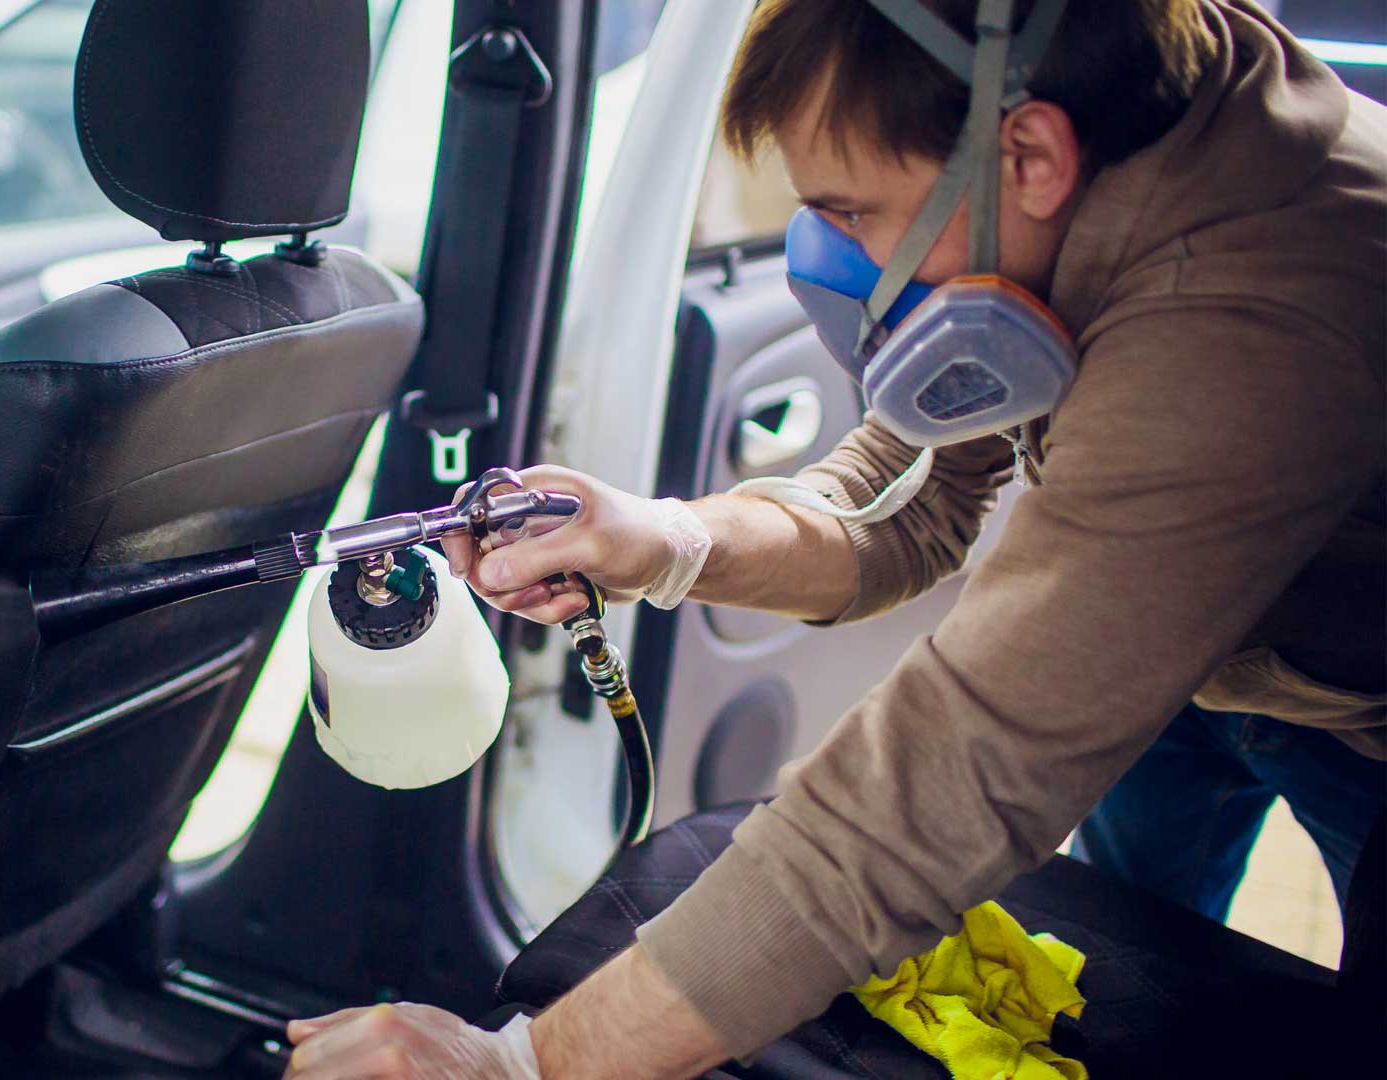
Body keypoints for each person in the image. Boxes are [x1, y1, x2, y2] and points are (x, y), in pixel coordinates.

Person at [280, 0, 1385, 1076]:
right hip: (1197, 675)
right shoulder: (1090, 182)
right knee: (1125, 994)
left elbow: (956, 775)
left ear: (1030, 155)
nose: (831, 252)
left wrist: (522, 1063)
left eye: (851, 212)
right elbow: (908, 494)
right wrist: (659, 538)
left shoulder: (1247, 326)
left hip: (1363, 714)